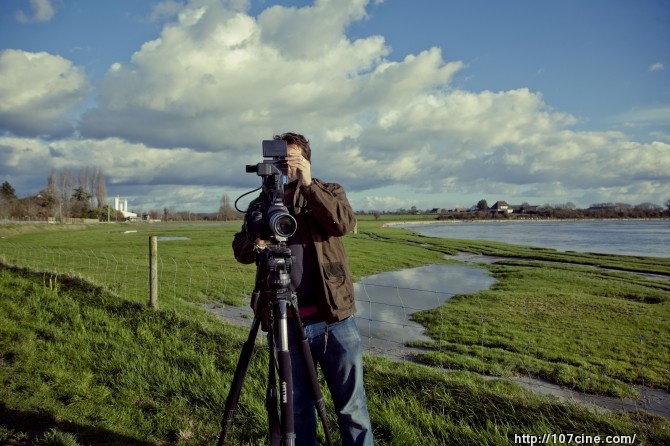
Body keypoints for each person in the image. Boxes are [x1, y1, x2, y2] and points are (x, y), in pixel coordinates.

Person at [232, 132, 374, 446]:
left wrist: (309, 185)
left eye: (292, 158)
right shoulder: (262, 203)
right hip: (285, 324)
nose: (286, 165)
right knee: (296, 409)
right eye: (280, 159)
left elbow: (343, 224)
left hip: (334, 319)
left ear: (306, 159)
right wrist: (257, 242)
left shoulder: (329, 190)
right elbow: (240, 248)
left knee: (352, 408)